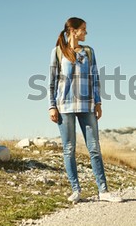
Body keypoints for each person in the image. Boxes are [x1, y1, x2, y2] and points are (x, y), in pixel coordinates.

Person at [49, 17, 122, 203]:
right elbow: (52, 81)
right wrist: (52, 105)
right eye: (83, 29)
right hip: (64, 106)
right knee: (69, 149)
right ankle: (76, 190)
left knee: (94, 148)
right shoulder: (58, 52)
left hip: (87, 105)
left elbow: (95, 78)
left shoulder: (89, 52)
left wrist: (98, 102)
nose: (86, 33)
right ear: (73, 31)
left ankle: (103, 191)